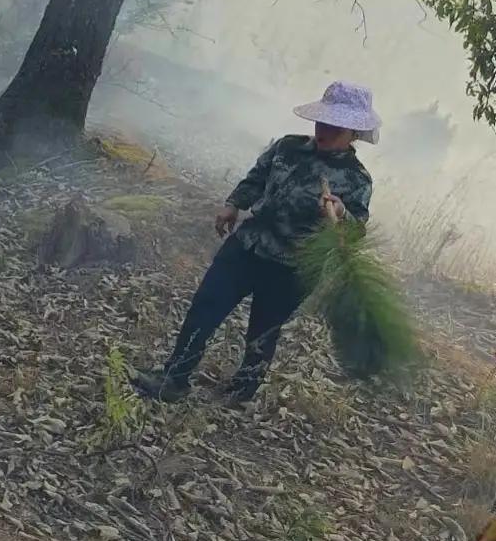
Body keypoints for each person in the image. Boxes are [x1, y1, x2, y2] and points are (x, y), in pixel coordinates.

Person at [134, 81, 379, 406]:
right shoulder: (288, 147)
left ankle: (241, 392)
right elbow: (257, 177)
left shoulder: (357, 179)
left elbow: (355, 231)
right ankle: (174, 378)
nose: (325, 130)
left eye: (336, 127)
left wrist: (339, 213)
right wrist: (233, 204)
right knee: (206, 305)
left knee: (263, 331)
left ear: (354, 134)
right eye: (323, 122)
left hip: (293, 266)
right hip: (248, 245)